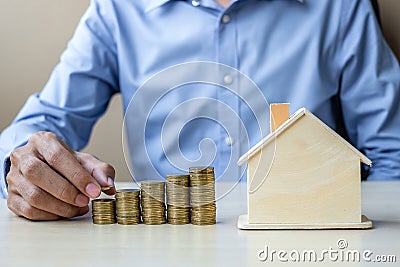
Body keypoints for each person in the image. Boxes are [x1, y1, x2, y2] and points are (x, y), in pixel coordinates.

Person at [0, 0, 399, 221]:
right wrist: (24, 167)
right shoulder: (115, 11)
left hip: (308, 244)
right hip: (163, 246)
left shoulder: (341, 7)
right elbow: (41, 124)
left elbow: (392, 152)